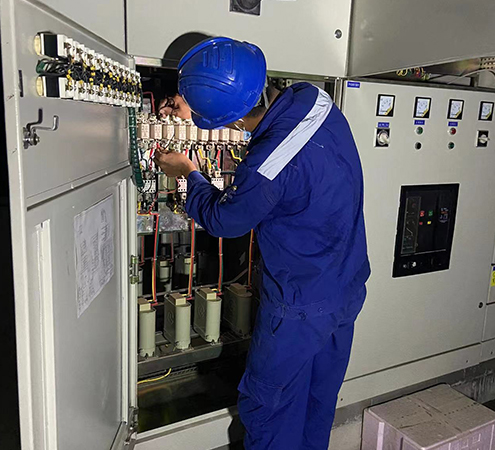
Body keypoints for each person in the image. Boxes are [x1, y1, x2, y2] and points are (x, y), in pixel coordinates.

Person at [154, 37, 370, 450]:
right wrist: (198, 105)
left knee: (270, 409)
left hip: (298, 306)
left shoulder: (266, 167)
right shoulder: (314, 98)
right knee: (315, 402)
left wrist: (188, 174)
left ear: (233, 121)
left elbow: (225, 220)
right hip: (345, 289)